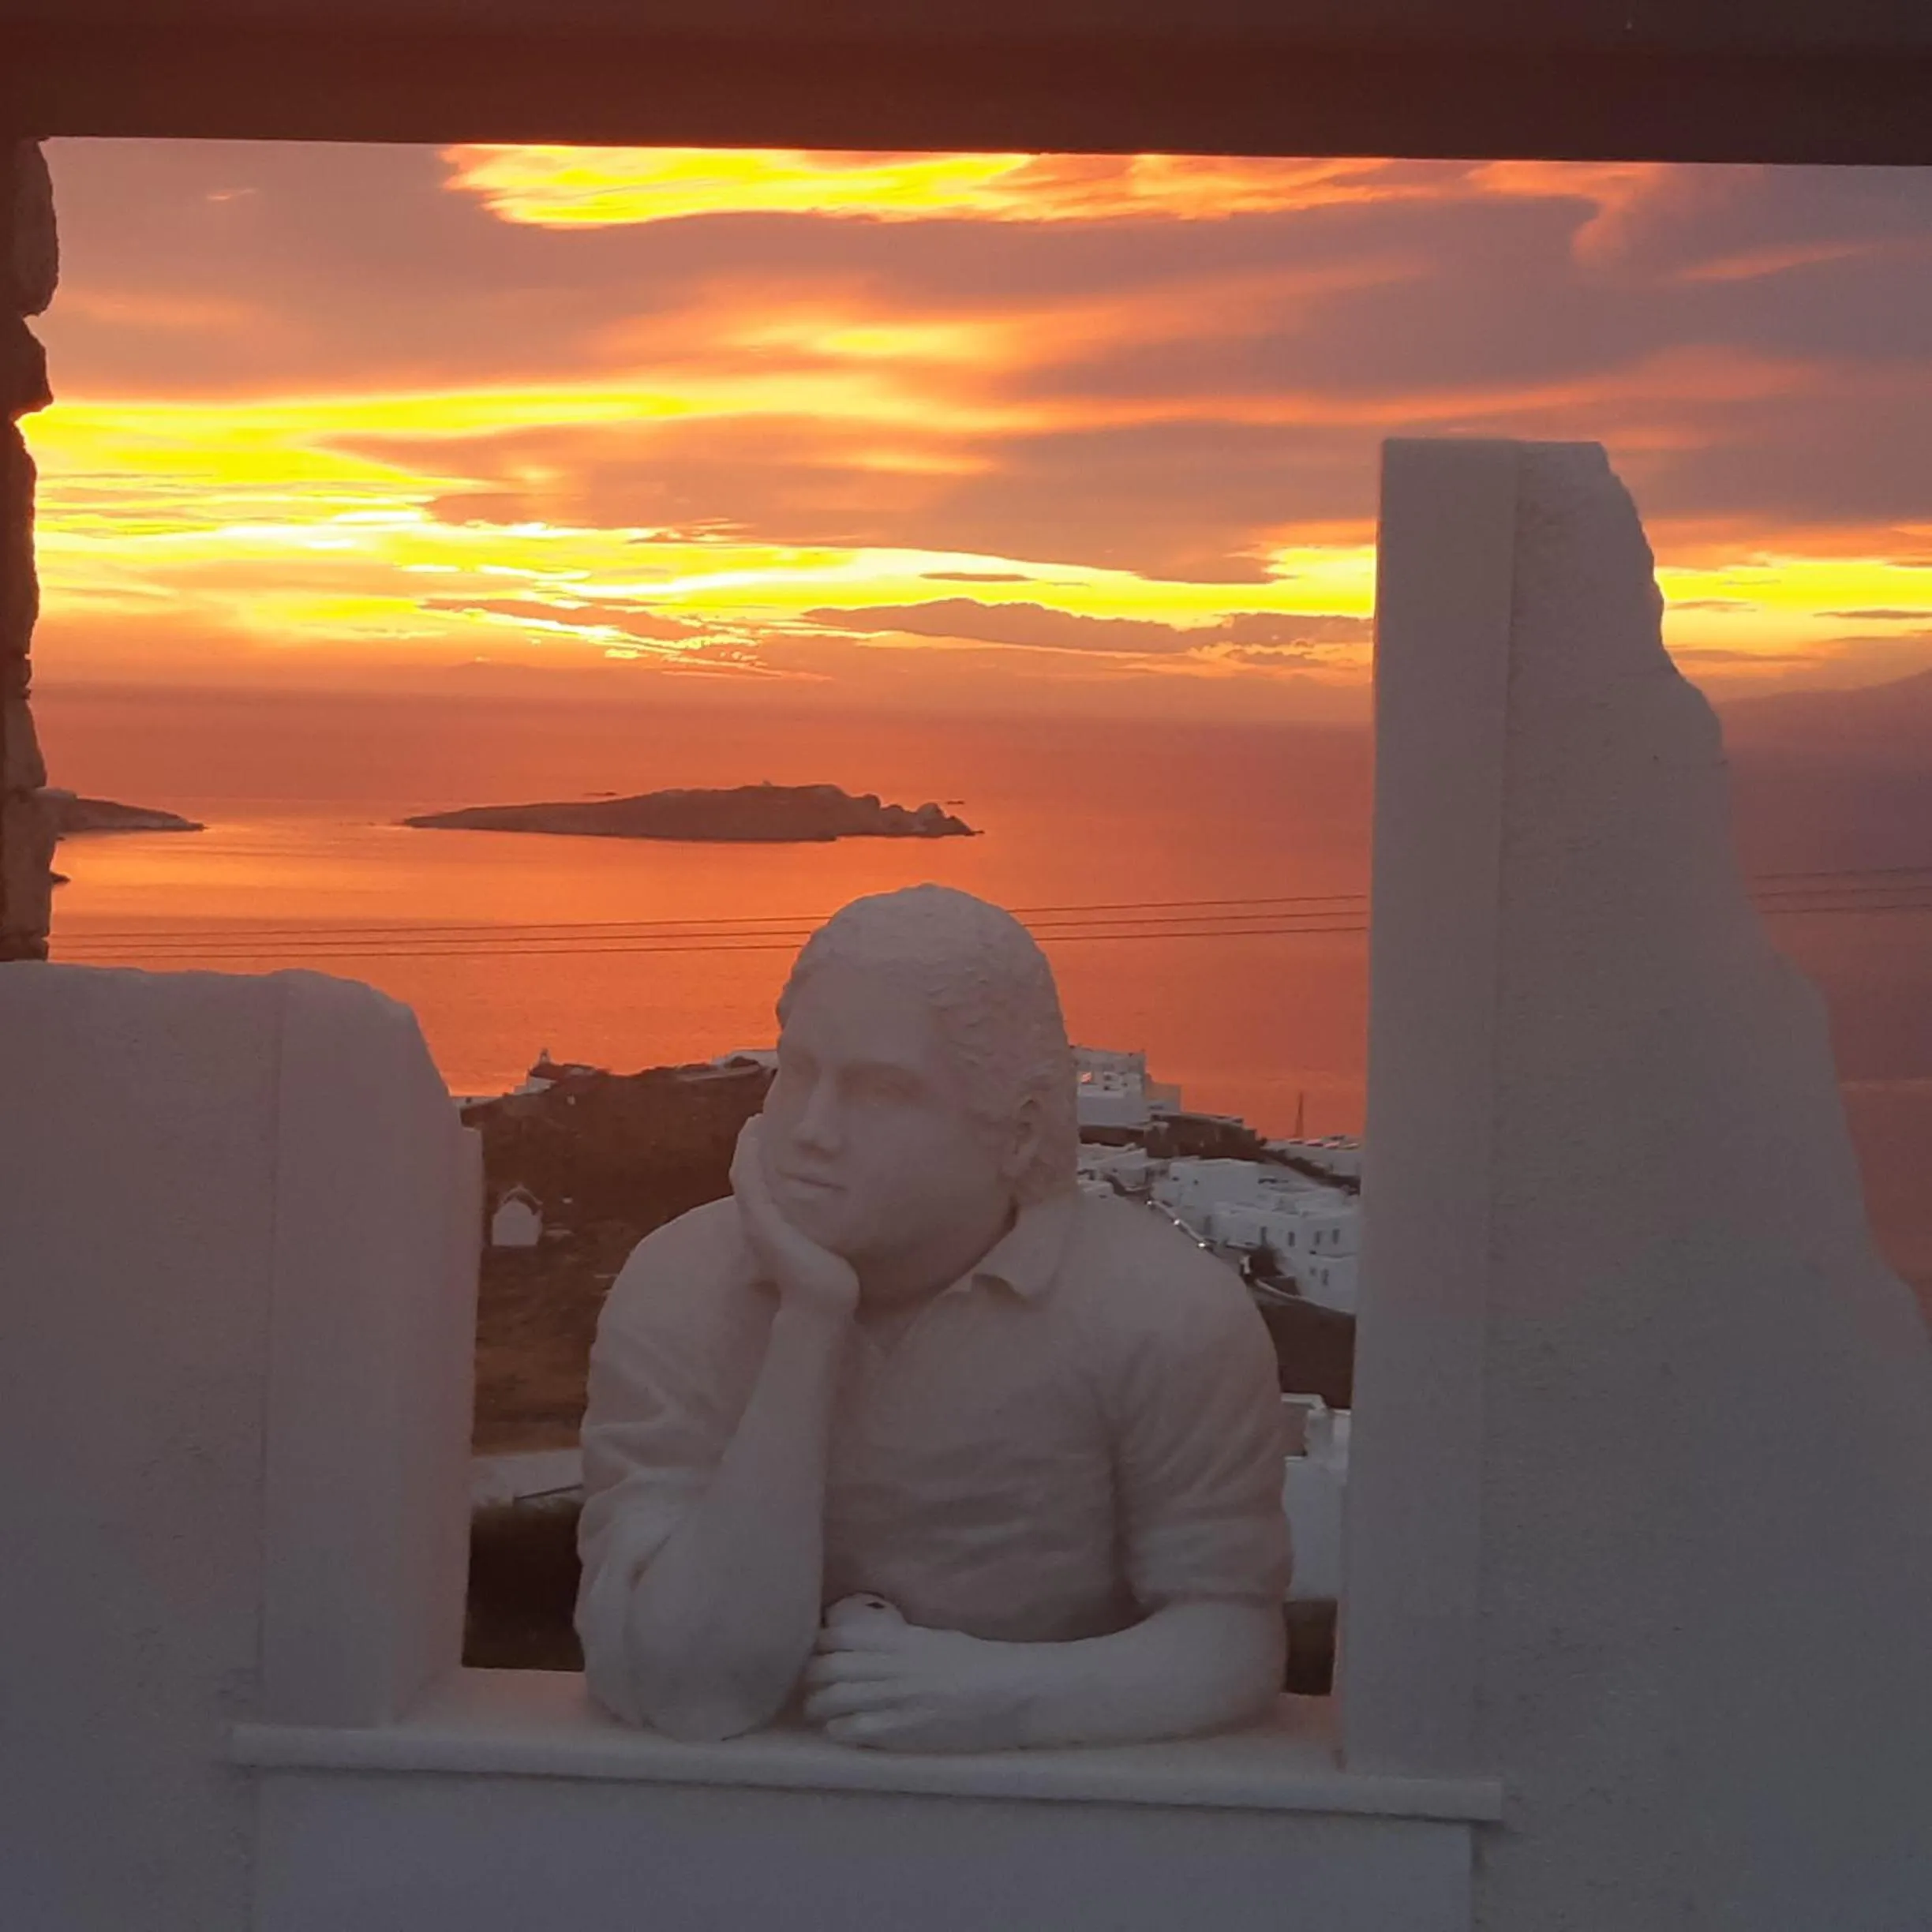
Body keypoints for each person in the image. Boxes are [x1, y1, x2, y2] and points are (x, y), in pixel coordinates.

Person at [575, 885, 1290, 1750]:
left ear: (1019, 1132)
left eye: (881, 1090)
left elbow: (1231, 1638)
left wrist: (1008, 1696)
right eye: (797, 1073)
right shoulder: (679, 1285)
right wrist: (809, 1317)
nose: (811, 1130)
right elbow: (694, 1689)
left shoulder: (1168, 1316)